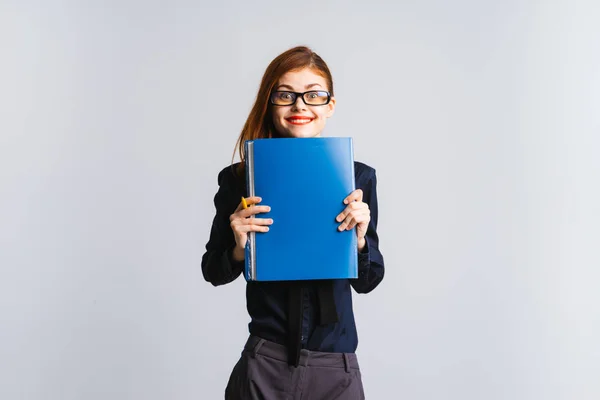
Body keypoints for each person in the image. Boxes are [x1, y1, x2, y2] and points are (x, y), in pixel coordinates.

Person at [201, 45, 385, 400]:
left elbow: (369, 281)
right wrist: (238, 247)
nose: (300, 105)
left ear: (330, 105)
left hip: (336, 367)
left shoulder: (357, 177)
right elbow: (213, 270)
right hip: (265, 363)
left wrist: (360, 241)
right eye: (285, 94)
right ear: (270, 104)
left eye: (313, 95)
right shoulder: (241, 179)